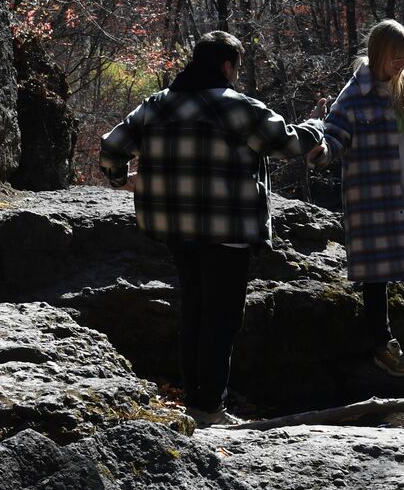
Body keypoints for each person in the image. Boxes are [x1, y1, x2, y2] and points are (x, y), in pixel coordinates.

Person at [100, 31, 325, 426]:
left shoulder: (157, 105)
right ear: (226, 65)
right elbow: (288, 143)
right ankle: (210, 409)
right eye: (235, 67)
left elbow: (111, 145)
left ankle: (194, 401)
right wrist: (317, 126)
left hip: (176, 229)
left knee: (195, 310)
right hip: (228, 230)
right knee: (222, 318)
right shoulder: (236, 107)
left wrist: (122, 179)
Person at [309, 19, 404, 376]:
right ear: (378, 53)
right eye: (396, 57)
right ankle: (383, 346)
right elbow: (333, 141)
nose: (401, 64)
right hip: (374, 205)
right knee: (376, 279)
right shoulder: (353, 95)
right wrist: (316, 146)